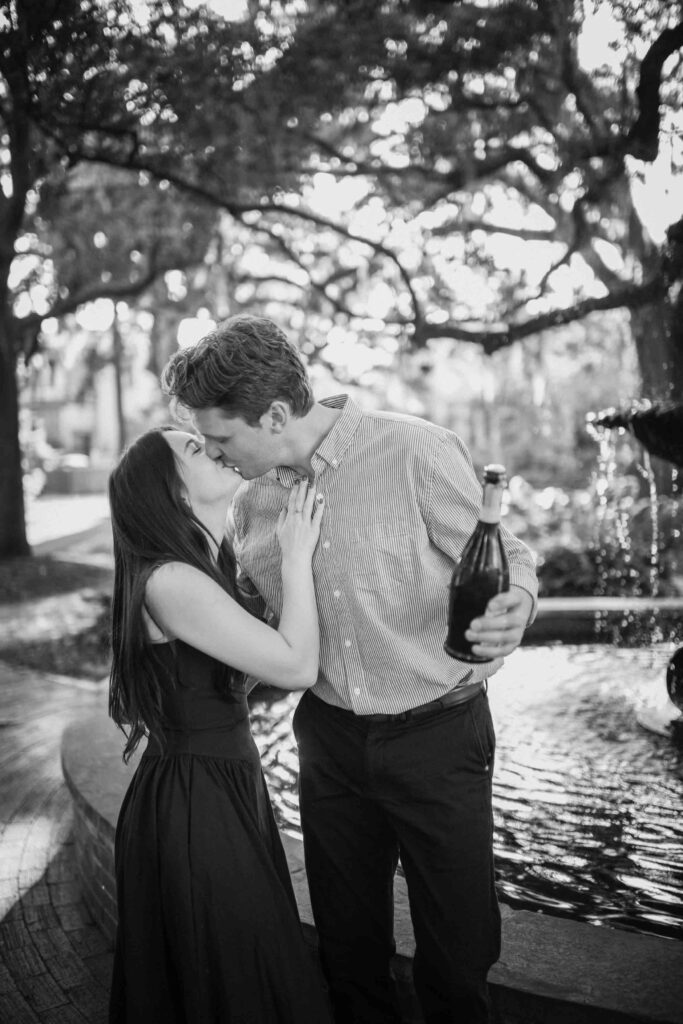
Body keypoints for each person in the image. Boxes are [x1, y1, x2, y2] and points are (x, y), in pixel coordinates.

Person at [162, 315, 539, 1024]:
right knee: (346, 951)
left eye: (221, 437)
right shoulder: (252, 504)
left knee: (458, 952)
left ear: (275, 415)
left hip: (439, 737)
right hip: (328, 743)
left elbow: (506, 553)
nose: (211, 452)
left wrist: (517, 598)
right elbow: (255, 630)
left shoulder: (414, 450)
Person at [107, 425, 332, 1024]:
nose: (211, 447)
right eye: (192, 448)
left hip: (218, 782)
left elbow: (229, 682)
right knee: (242, 980)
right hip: (195, 803)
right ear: (172, 492)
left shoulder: (201, 566)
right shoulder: (171, 580)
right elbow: (297, 667)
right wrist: (295, 557)